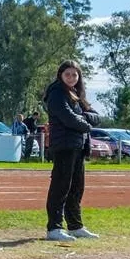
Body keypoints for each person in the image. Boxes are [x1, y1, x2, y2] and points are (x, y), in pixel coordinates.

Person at [43, 60, 101, 242]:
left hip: (78, 146)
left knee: (77, 187)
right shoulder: (56, 94)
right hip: (64, 146)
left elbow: (97, 117)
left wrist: (84, 118)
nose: (71, 78)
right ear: (60, 75)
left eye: (74, 75)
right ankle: (54, 228)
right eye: (67, 74)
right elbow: (68, 118)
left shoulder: (77, 94)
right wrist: (87, 125)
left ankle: (75, 226)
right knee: (61, 187)